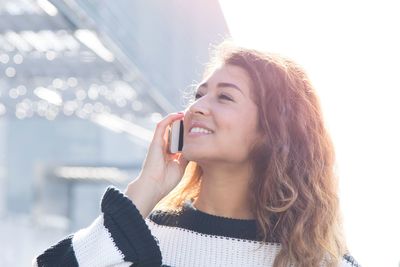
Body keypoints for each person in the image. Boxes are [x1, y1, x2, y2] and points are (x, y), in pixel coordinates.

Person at [33, 41, 361, 267]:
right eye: (199, 94)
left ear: (273, 131)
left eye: (225, 97)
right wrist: (141, 194)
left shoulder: (320, 260)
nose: (197, 107)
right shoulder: (134, 239)